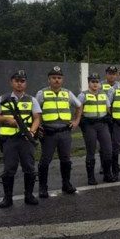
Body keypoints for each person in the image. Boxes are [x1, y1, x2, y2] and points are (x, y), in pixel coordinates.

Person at [0, 70, 41, 208]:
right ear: (11, 82)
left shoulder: (32, 99)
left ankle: (29, 195)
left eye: (22, 81)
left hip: (26, 139)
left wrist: (32, 131)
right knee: (9, 169)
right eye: (17, 81)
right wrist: (7, 119)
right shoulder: (3, 98)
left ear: (26, 83)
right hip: (9, 140)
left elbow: (37, 118)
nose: (19, 83)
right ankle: (7, 198)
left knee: (29, 168)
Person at [36, 66, 82, 198]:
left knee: (66, 160)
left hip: (64, 132)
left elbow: (79, 106)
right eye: (54, 78)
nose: (56, 80)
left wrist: (76, 121)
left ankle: (66, 184)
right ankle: (43, 187)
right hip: (48, 133)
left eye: (59, 78)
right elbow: (35, 111)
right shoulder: (42, 93)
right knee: (45, 160)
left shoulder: (67, 93)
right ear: (49, 79)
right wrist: (37, 125)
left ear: (62, 80)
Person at [78, 72, 114, 185]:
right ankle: (91, 177)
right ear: (89, 83)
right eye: (92, 82)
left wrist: (109, 118)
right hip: (89, 126)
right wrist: (81, 121)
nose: (95, 84)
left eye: (97, 82)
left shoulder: (104, 94)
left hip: (102, 125)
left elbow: (109, 109)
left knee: (108, 150)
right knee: (91, 151)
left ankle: (107, 174)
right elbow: (78, 110)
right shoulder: (83, 95)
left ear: (99, 83)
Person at [100, 65, 120, 174]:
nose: (112, 76)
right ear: (106, 74)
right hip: (104, 118)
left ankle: (115, 164)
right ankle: (103, 165)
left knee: (116, 143)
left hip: (117, 118)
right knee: (104, 142)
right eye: (110, 73)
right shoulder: (100, 85)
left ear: (116, 75)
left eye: (114, 74)